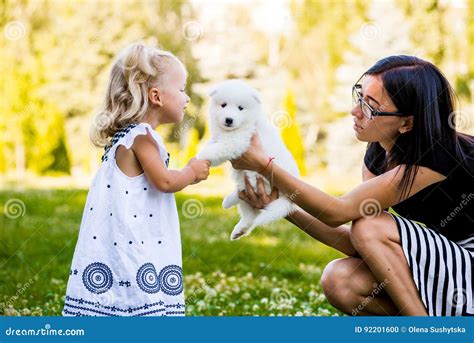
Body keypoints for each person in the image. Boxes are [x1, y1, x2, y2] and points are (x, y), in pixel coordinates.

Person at [232, 55, 473, 316]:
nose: (355, 111)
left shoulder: (437, 157)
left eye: (370, 106)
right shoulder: (379, 154)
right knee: (341, 281)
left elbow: (338, 213)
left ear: (407, 123)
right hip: (454, 262)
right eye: (359, 97)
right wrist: (281, 206)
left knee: (369, 223)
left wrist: (265, 167)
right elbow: (362, 243)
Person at [62, 42, 210, 316]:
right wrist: (191, 172)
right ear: (156, 96)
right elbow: (164, 182)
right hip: (134, 241)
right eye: (181, 89)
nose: (186, 97)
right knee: (138, 302)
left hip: (121, 238)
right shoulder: (142, 138)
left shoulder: (126, 138)